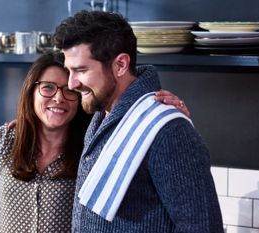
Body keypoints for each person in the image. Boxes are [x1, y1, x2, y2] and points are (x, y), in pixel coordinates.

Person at [0, 52, 190, 233]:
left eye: (69, 90)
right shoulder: (4, 140)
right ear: (31, 92)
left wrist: (171, 113)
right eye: (48, 87)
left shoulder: (95, 147)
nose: (59, 98)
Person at [53, 10, 224, 233]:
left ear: (121, 65)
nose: (72, 83)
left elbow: (203, 228)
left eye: (81, 70)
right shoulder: (100, 114)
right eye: (69, 71)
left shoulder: (168, 131)